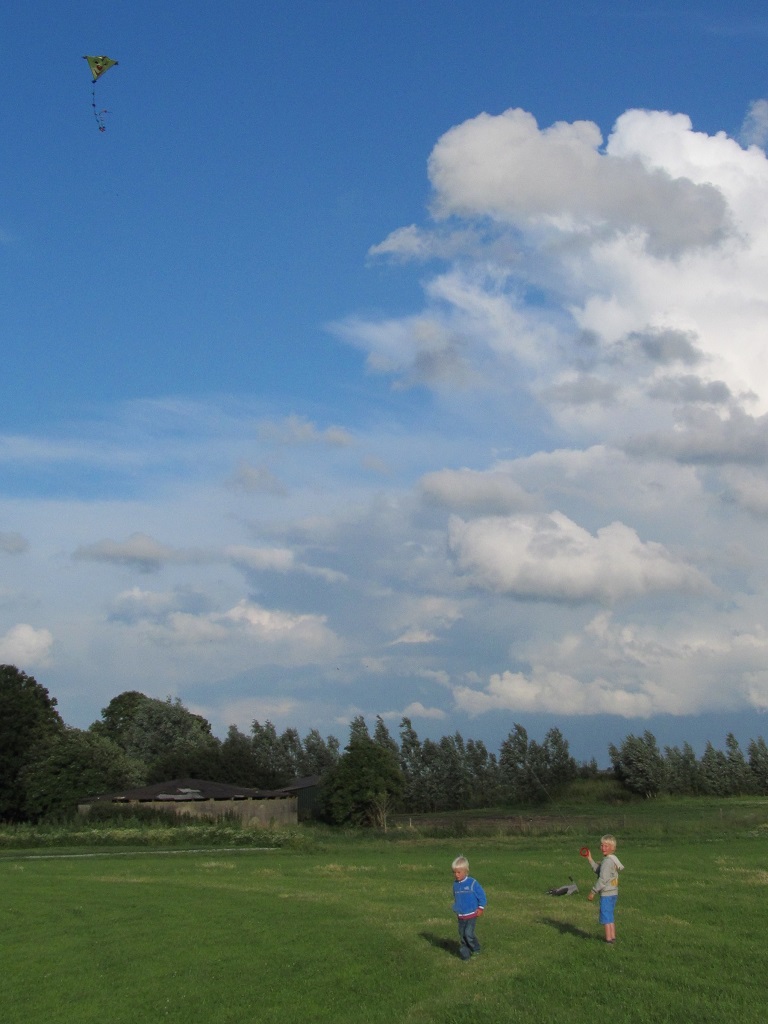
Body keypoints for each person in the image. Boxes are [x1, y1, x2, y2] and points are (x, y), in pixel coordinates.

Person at [585, 834, 624, 944]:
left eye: (606, 846)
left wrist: (593, 892)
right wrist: (590, 859)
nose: (603, 848)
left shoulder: (607, 862)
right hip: (613, 893)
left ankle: (608, 941)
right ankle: (613, 937)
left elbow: (602, 879)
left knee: (606, 917)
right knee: (610, 916)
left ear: (613, 848)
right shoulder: (612, 859)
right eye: (602, 845)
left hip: (607, 894)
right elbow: (599, 870)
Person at [451, 855, 487, 960]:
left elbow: (482, 896)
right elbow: (456, 897)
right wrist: (456, 908)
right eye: (454, 872)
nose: (456, 875)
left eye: (459, 872)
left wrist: (481, 908)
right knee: (462, 936)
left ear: (466, 871)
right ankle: (465, 956)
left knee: (468, 933)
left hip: (471, 914)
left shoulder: (472, 883)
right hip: (461, 915)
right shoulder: (455, 884)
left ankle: (476, 949)